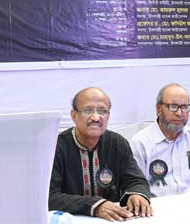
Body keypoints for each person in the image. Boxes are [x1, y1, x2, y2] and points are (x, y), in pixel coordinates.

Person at [49, 87, 153, 221]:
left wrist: (137, 194)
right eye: (88, 110)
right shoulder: (56, 148)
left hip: (112, 220)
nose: (96, 117)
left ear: (108, 116)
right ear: (74, 115)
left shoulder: (117, 143)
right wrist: (95, 205)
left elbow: (135, 180)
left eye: (102, 111)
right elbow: (49, 197)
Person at [130, 84, 190, 197]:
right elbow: (137, 189)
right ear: (159, 109)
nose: (179, 113)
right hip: (157, 209)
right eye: (173, 106)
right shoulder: (140, 143)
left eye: (184, 107)